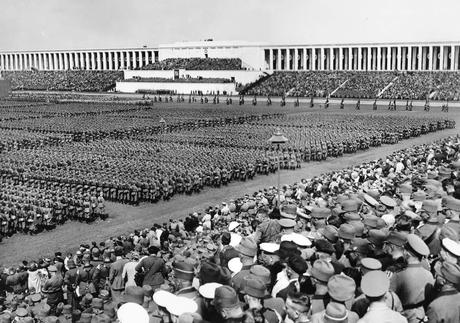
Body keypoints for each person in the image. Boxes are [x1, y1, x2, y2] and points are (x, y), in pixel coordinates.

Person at [390, 234, 434, 323]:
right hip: (421, 314)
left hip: (404, 316)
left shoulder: (399, 275)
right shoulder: (429, 274)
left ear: (407, 253)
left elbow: (391, 298)